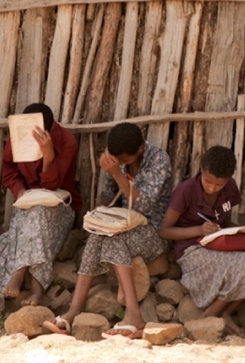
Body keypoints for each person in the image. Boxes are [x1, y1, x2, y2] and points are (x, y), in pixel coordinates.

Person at [44, 122, 171, 339]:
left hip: (152, 230)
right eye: (117, 160)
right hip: (122, 224)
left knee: (114, 241)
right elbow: (109, 193)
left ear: (140, 149)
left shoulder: (159, 160)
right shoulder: (116, 158)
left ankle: (134, 315)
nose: (120, 164)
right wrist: (100, 210)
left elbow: (143, 205)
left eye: (125, 161)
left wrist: (116, 172)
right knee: (95, 237)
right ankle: (73, 311)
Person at [160, 145, 245, 336]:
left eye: (219, 185)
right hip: (193, 250)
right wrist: (199, 230)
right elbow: (165, 230)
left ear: (228, 179)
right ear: (201, 168)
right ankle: (209, 316)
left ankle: (226, 313)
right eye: (208, 181)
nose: (212, 188)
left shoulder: (230, 188)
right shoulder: (186, 191)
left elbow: (224, 221)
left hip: (220, 245)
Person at [0, 103, 81, 305]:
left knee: (37, 217)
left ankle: (19, 271)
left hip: (59, 204)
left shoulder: (67, 142)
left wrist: (48, 156)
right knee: (30, 220)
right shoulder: (19, 135)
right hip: (28, 201)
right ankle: (37, 291)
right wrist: (19, 190)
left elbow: (53, 185)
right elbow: (8, 169)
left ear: (49, 131)